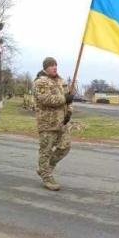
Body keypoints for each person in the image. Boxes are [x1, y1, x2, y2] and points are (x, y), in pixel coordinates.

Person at [34, 57, 73, 191]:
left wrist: (69, 112)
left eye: (55, 65)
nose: (54, 67)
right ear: (45, 68)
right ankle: (47, 177)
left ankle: (44, 168)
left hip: (61, 122)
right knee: (45, 151)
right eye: (51, 66)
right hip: (47, 123)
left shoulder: (61, 81)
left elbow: (69, 99)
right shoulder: (40, 82)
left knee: (65, 146)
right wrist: (64, 99)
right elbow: (45, 99)